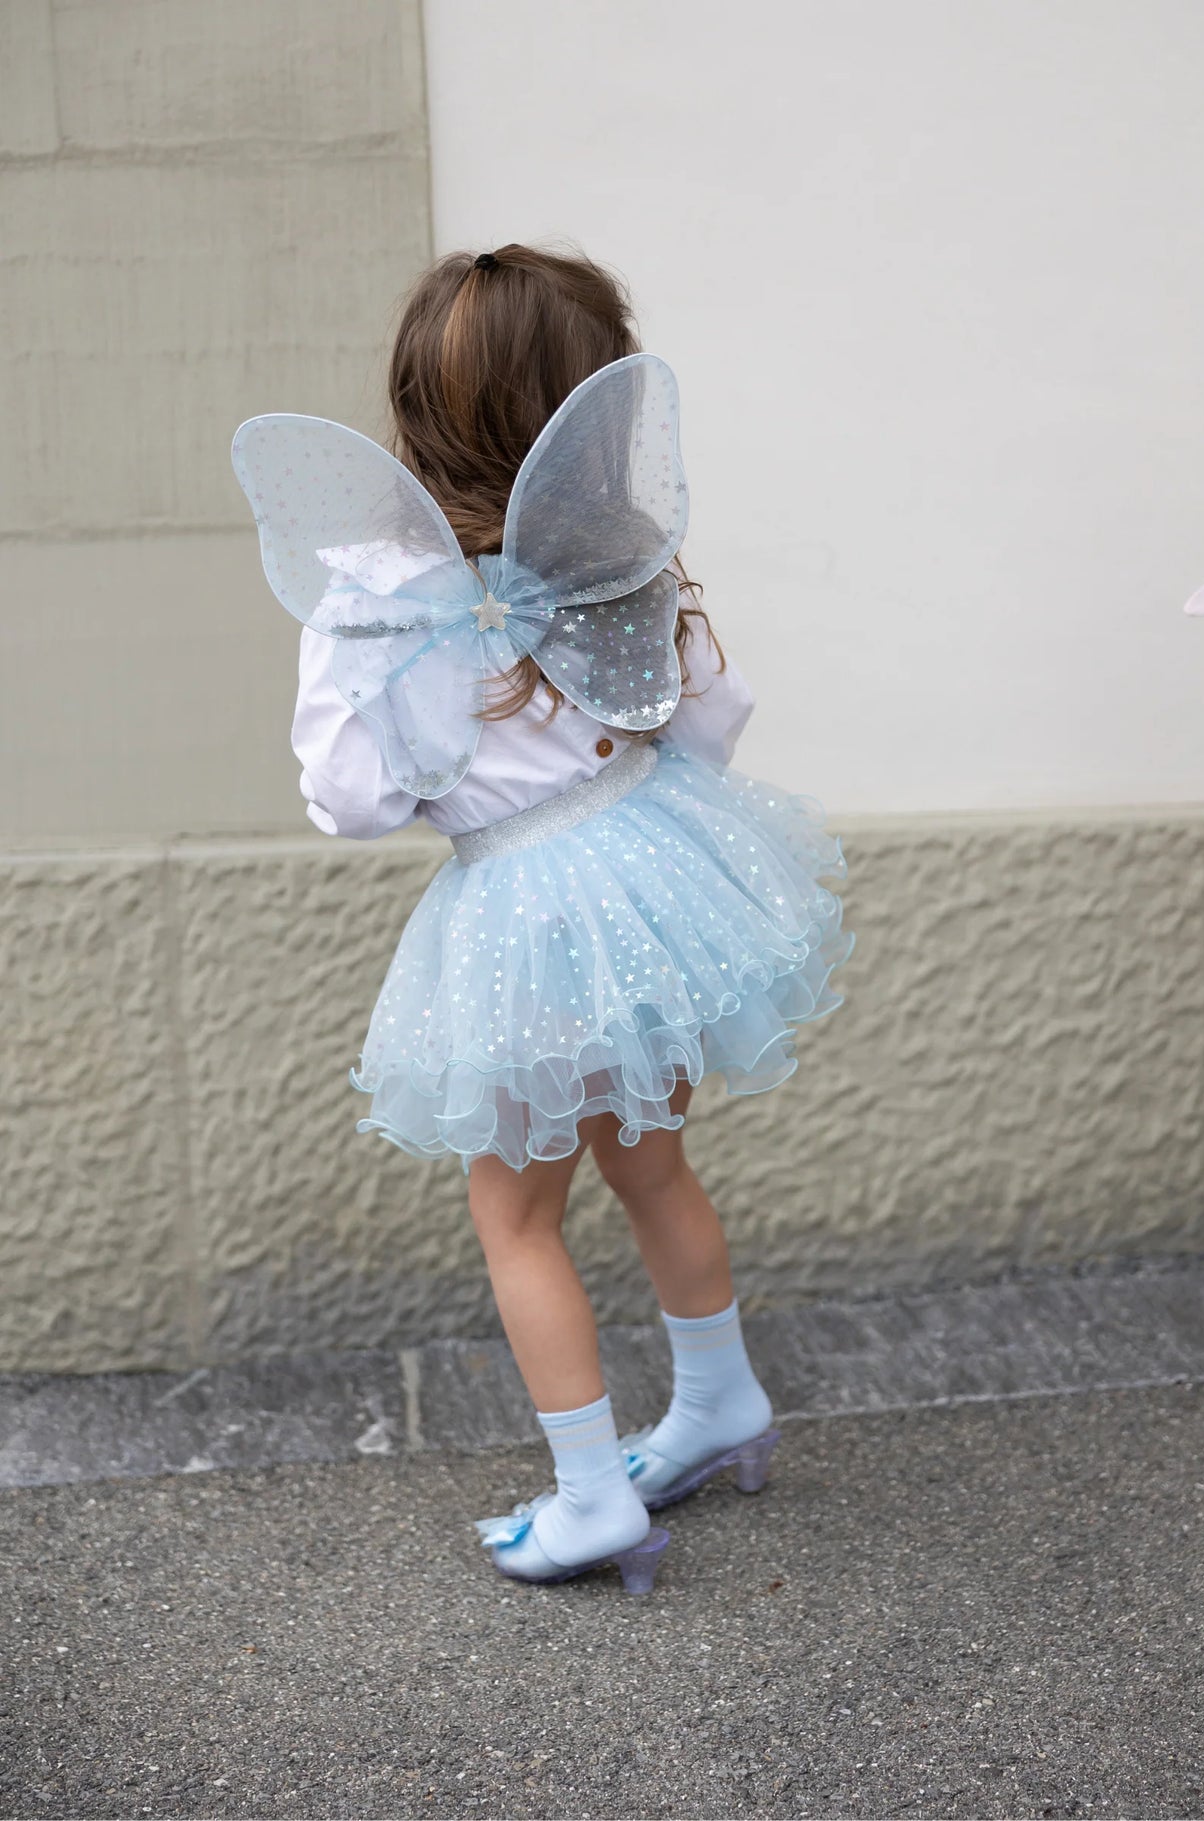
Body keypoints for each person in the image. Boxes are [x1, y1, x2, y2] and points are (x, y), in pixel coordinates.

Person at [232, 244, 852, 1594]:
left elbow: (351, 799)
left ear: (416, 400)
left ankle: (591, 1498)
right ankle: (719, 1401)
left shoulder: (376, 586)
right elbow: (712, 717)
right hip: (657, 880)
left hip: (526, 912)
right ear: (589, 406)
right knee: (651, 1162)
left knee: (514, 1216)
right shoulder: (619, 549)